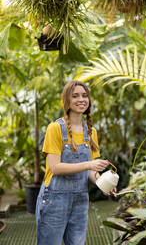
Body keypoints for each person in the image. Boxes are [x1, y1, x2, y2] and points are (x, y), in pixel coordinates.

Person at [36, 80, 116, 245]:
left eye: (84, 95)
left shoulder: (91, 132)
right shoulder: (55, 128)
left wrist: (102, 183)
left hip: (80, 200)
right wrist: (88, 165)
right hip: (54, 200)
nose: (81, 99)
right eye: (75, 96)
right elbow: (55, 167)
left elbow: (91, 172)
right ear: (67, 100)